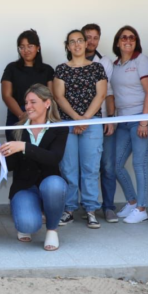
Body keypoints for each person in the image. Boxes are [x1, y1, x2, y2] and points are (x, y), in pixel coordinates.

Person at [0, 84, 67, 251]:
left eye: (33, 102)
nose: (27, 107)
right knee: (28, 225)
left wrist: (24, 147)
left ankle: (52, 230)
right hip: (24, 187)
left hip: (49, 183)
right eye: (26, 102)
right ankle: (30, 214)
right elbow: (10, 166)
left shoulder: (59, 128)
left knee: (55, 185)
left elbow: (54, 159)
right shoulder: (17, 129)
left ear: (47, 103)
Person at [53, 29, 108, 229]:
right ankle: (68, 209)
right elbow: (59, 97)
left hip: (91, 125)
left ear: (86, 44)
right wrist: (76, 119)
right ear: (67, 46)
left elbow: (101, 95)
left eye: (80, 41)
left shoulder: (97, 68)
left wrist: (85, 119)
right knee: (68, 169)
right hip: (67, 125)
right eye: (72, 42)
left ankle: (91, 209)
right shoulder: (61, 69)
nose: (76, 45)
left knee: (90, 168)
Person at [108, 26, 148, 224]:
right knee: (115, 165)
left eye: (132, 37)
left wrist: (144, 121)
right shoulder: (115, 65)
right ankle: (133, 201)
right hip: (122, 121)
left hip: (140, 119)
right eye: (123, 37)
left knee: (140, 164)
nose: (128, 40)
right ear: (117, 42)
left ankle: (142, 208)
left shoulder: (141, 60)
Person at [82, 23, 118, 223]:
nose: (91, 41)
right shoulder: (69, 63)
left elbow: (109, 93)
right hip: (82, 123)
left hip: (103, 120)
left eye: (95, 37)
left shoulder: (105, 62)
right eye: (87, 37)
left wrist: (110, 119)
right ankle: (88, 207)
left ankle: (109, 206)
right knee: (87, 166)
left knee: (108, 165)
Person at [0, 29, 54, 139]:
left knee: (39, 154)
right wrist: (22, 115)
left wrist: (38, 115)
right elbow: (6, 95)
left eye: (30, 46)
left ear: (38, 47)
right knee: (15, 153)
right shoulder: (11, 68)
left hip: (42, 119)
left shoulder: (47, 70)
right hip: (17, 117)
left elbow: (51, 97)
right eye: (22, 47)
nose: (26, 50)